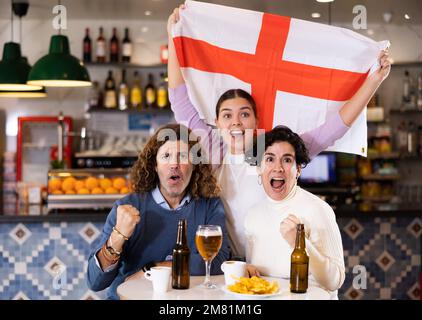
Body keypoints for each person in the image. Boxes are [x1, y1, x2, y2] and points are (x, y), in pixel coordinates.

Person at [167, 4, 391, 258]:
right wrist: (173, 37)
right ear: (218, 123)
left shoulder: (275, 151)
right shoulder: (212, 149)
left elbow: (334, 127)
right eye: (227, 116)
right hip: (229, 264)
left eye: (244, 114)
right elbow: (180, 101)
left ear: (256, 120)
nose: (236, 123)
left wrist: (374, 81)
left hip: (274, 264)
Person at [87, 124, 230, 299]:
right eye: (166, 156)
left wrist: (152, 269)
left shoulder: (210, 206)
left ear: (195, 166)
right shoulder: (127, 207)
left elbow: (218, 261)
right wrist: (118, 236)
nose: (174, 165)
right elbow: (95, 282)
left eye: (183, 157)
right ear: (154, 165)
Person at [244, 126, 345, 299]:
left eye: (287, 160)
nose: (278, 168)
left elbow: (335, 280)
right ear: (259, 168)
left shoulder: (318, 209)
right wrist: (247, 269)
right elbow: (258, 274)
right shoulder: (252, 216)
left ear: (298, 169)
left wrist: (301, 244)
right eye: (269, 159)